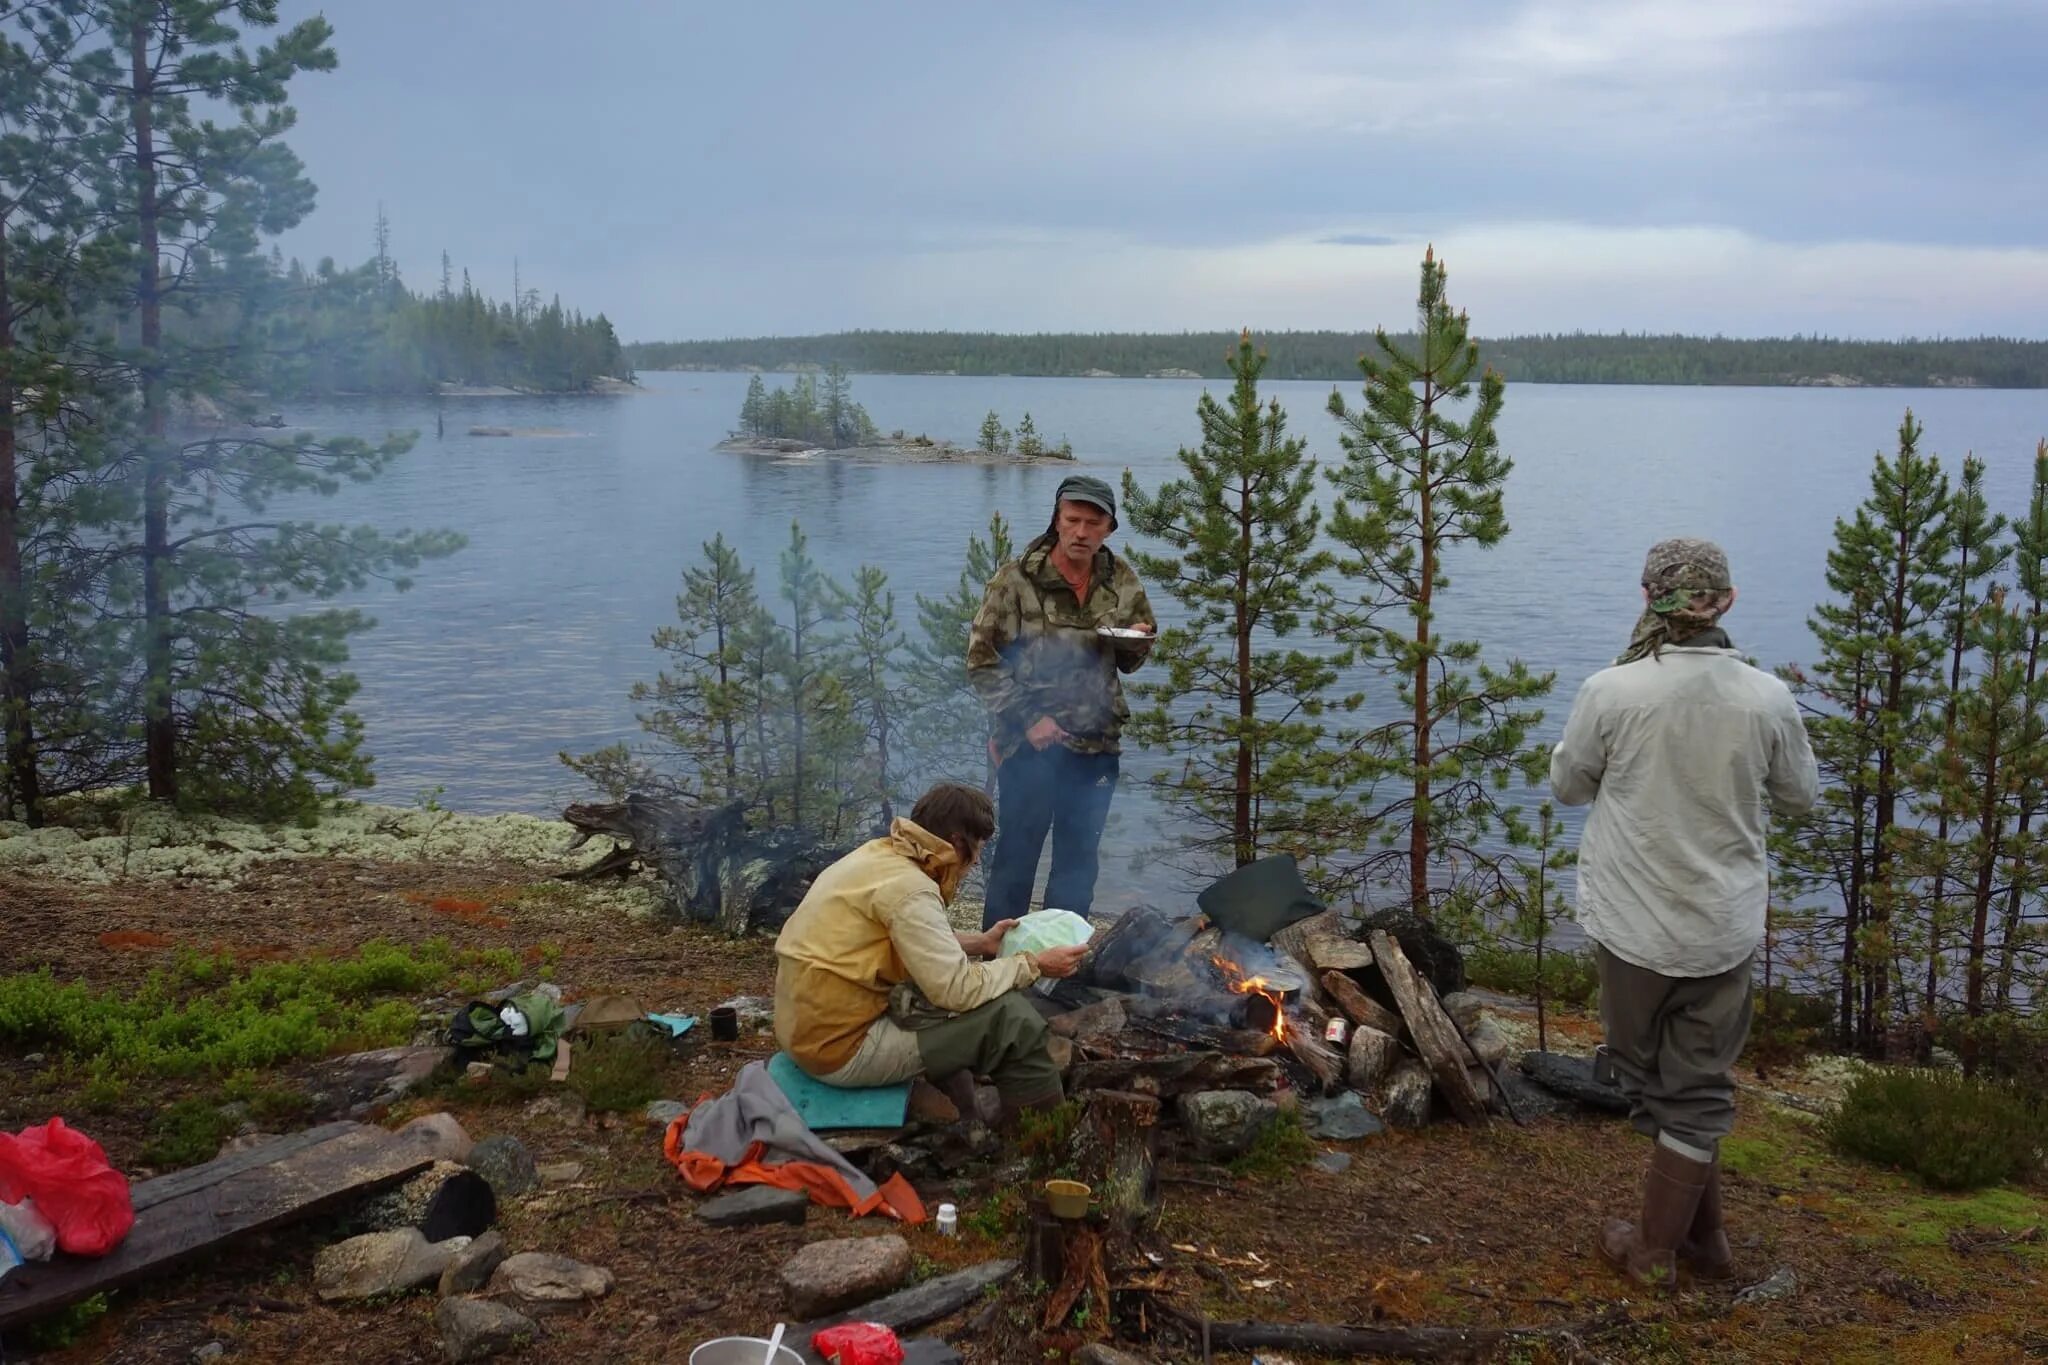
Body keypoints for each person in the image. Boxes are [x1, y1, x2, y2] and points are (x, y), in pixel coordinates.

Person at [1550, 537, 1818, 1288]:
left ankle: (1652, 1254)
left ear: (1648, 597)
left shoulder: (1613, 690)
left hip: (1634, 926)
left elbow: (1570, 785)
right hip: (1724, 927)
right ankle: (1708, 1246)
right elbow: (1802, 797)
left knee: (1665, 1088)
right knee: (1691, 1089)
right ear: (1727, 601)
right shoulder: (1766, 697)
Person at [772, 781, 1088, 1124]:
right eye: (977, 847)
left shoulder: (877, 856)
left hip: (804, 1028)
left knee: (942, 999)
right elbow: (956, 988)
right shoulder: (912, 889)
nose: (978, 858)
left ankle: (965, 1118)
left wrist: (981, 943)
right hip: (839, 1050)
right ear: (956, 842)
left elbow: (904, 938)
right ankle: (1040, 1139)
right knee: (1012, 1019)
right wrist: (1034, 964)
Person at [967, 474, 1156, 931]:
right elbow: (981, 661)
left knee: (1078, 861)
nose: (1081, 532)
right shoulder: (1016, 580)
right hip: (1028, 745)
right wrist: (1029, 719)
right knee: (1017, 855)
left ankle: (1059, 959)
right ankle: (1001, 961)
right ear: (1057, 520)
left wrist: (1138, 642)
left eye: (1094, 523)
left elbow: (1132, 658)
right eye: (1072, 520)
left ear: (1109, 528)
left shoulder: (1120, 579)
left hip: (1096, 744)